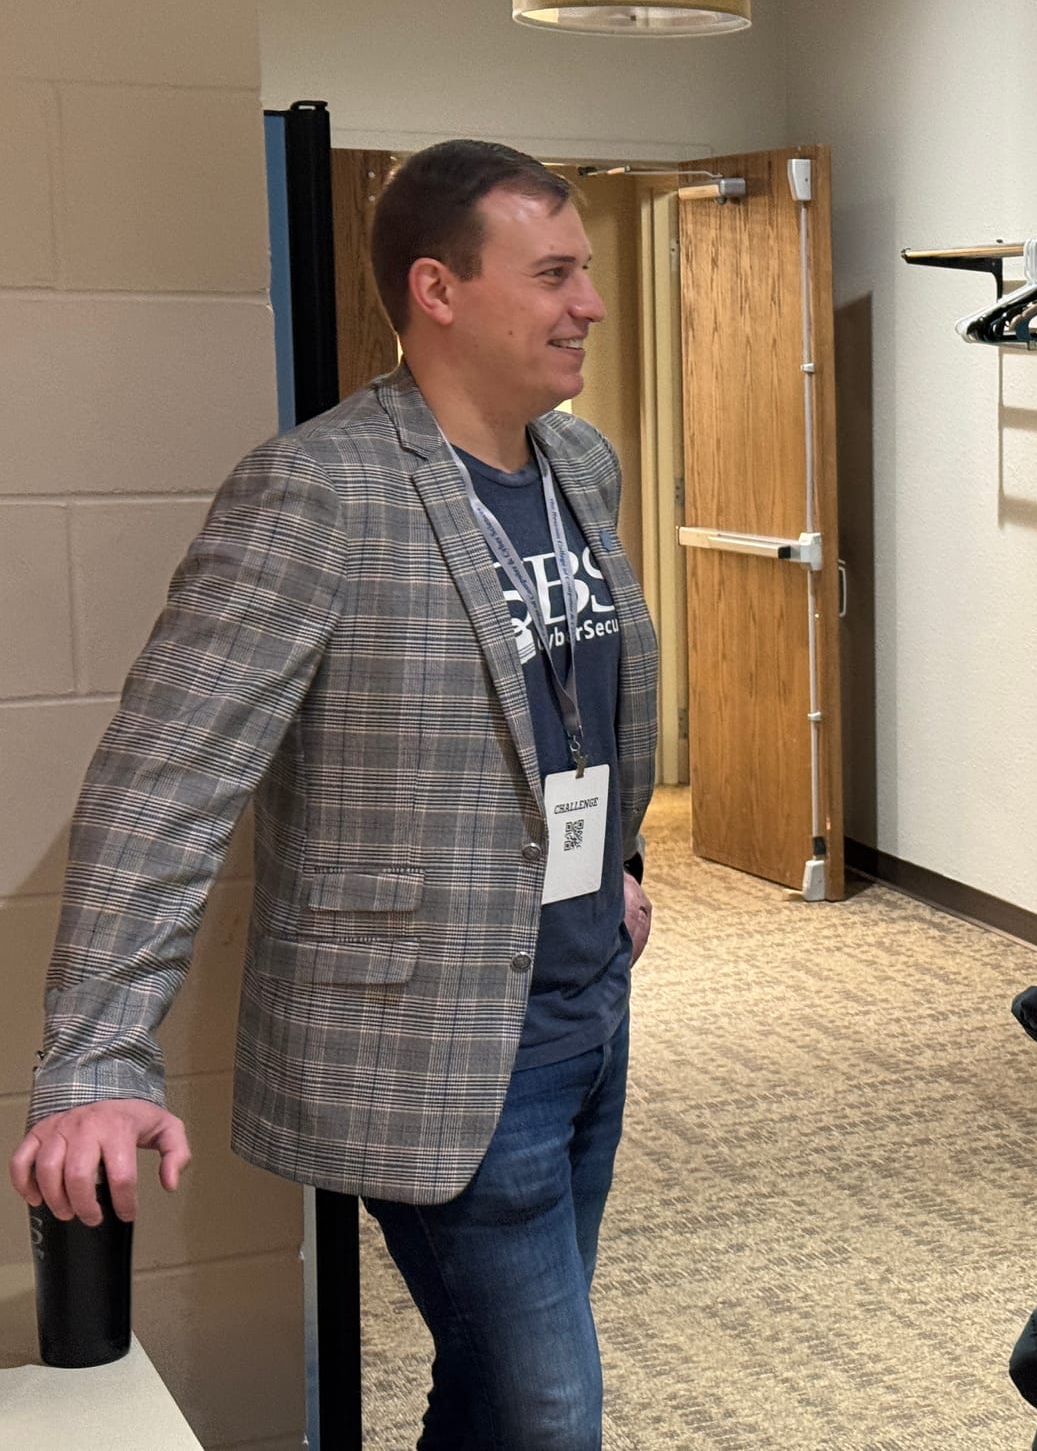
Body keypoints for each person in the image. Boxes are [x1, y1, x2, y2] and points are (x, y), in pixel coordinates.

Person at [11, 139, 660, 1450]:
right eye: (553, 274)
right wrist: (94, 1055)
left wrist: (621, 865)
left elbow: (574, 708)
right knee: (550, 1409)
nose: (589, 301)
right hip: (435, 1043)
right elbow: (163, 782)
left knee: (493, 1379)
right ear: (438, 289)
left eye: (584, 270)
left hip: (590, 1005)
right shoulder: (319, 492)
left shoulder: (580, 469)